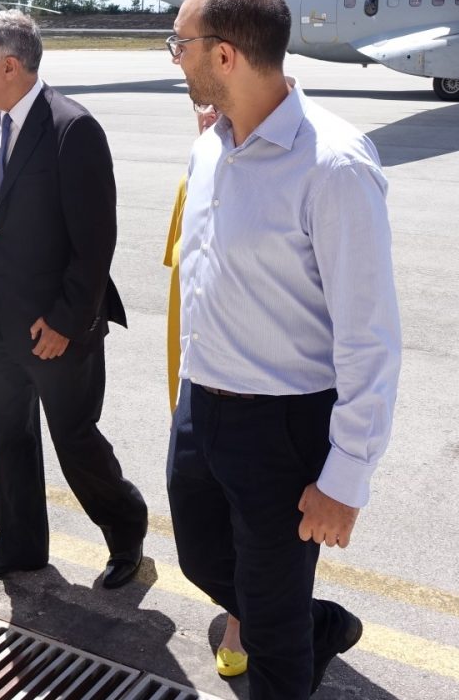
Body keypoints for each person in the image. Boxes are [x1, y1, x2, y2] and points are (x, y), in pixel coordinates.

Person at [167, 0, 401, 698]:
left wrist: (345, 476)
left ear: (226, 55)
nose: (175, 58)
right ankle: (312, 624)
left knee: (270, 640)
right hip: (202, 409)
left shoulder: (331, 164)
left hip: (282, 426)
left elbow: (371, 335)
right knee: (204, 563)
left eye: (181, 44)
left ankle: (293, 640)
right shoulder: (214, 146)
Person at [0, 10, 148, 590]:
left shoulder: (72, 128)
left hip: (57, 326)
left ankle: (126, 528)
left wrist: (66, 320)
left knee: (76, 442)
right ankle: (19, 545)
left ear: (10, 66)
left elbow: (95, 243)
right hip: (0, 321)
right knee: (8, 439)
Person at [162, 99, 250, 678]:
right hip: (194, 367)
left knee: (249, 512)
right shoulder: (200, 161)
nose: (207, 113)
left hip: (253, 387)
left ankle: (251, 620)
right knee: (199, 519)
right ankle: (267, 607)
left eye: (217, 103)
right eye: (201, 104)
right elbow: (181, 267)